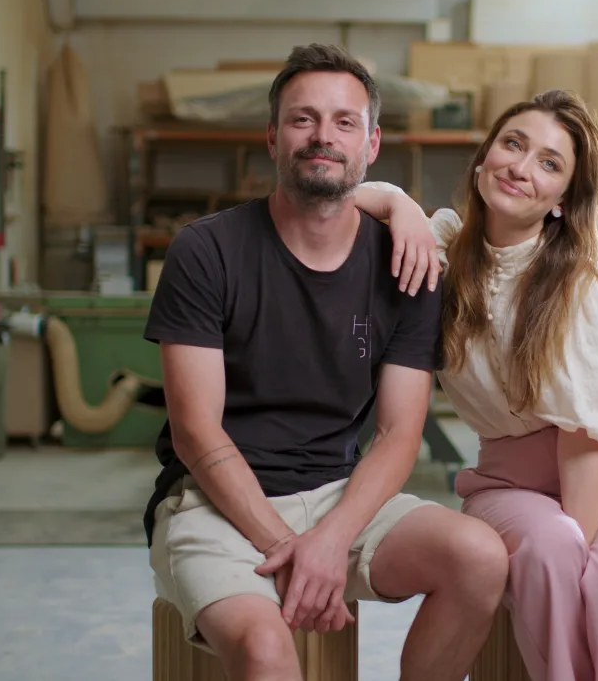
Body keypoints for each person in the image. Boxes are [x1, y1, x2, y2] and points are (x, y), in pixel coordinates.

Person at [142, 43, 509, 681]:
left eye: (344, 122)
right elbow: (196, 432)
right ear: (272, 137)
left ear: (371, 145)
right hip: (215, 504)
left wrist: (332, 537)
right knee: (264, 651)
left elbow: (399, 434)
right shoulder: (206, 252)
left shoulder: (410, 267)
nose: (322, 137)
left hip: (339, 496)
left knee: (478, 557)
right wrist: (289, 549)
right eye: (302, 118)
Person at [354, 89, 598, 681]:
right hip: (507, 482)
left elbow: (584, 459)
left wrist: (585, 579)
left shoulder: (587, 290)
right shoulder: (437, 253)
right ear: (483, 157)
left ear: (564, 200)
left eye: (549, 163)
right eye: (513, 144)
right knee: (548, 549)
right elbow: (325, 207)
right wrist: (395, 200)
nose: (521, 167)